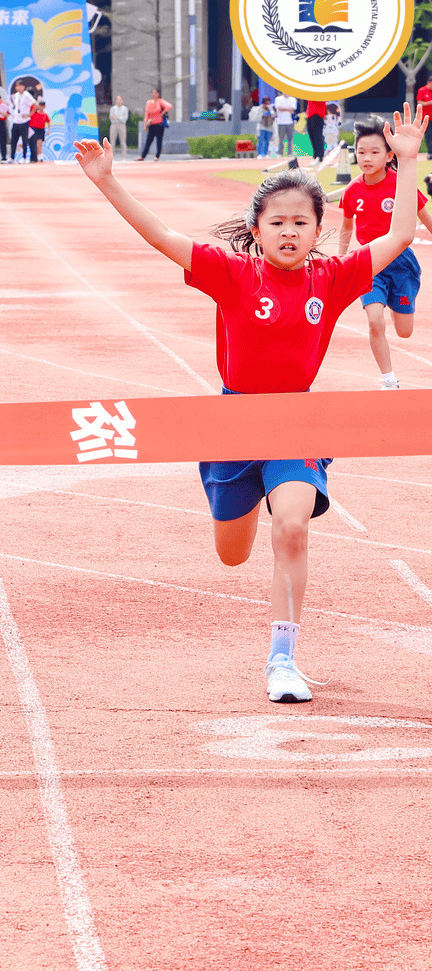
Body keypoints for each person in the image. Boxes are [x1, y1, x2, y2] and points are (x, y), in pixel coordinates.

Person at [73, 103, 427, 703]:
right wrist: (109, 181)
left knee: (291, 526)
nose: (289, 232)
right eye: (277, 222)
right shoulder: (230, 274)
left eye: (301, 223)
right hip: (233, 424)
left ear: (319, 230)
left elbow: (399, 235)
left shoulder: (332, 278)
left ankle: (282, 660)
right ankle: (233, 502)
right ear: (256, 229)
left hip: (295, 421)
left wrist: (410, 160)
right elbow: (163, 237)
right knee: (232, 554)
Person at [341, 117, 432, 389]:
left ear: (390, 154)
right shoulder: (352, 191)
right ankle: (389, 379)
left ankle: (396, 302)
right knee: (374, 320)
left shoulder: (400, 185)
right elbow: (346, 227)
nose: (366, 158)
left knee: (404, 332)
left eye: (374, 152)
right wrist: (341, 259)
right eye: (361, 152)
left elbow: (425, 217)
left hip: (401, 264)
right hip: (369, 263)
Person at [138, 88, 171, 161]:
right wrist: (145, 124)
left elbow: (169, 106)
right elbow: (147, 114)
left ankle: (157, 156)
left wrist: (162, 113)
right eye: (153, 93)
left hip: (159, 124)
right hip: (151, 124)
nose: (154, 95)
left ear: (158, 94)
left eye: (155, 93)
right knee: (148, 140)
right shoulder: (149, 102)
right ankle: (143, 156)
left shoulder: (160, 101)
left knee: (159, 141)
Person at [7, 81, 34, 162]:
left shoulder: (27, 95)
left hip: (24, 121)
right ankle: (12, 158)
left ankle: (24, 157)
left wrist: (29, 115)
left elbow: (35, 104)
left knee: (24, 140)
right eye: (17, 86)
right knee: (13, 141)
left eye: (20, 86)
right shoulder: (16, 95)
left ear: (23, 86)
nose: (18, 87)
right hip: (16, 121)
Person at [273, 91, 298, 157]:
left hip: (290, 121)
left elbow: (293, 109)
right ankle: (280, 153)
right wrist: (288, 109)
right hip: (281, 122)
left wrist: (284, 109)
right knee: (281, 138)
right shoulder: (278, 99)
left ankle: (289, 153)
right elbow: (279, 108)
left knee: (290, 138)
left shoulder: (293, 99)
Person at [108, 94, 129, 159]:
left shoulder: (125, 108)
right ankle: (111, 156)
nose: (119, 101)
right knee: (112, 141)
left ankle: (124, 156)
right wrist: (117, 118)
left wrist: (118, 118)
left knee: (123, 141)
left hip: (122, 125)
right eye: (118, 100)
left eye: (120, 99)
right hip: (114, 125)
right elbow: (111, 117)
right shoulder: (113, 108)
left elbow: (125, 118)